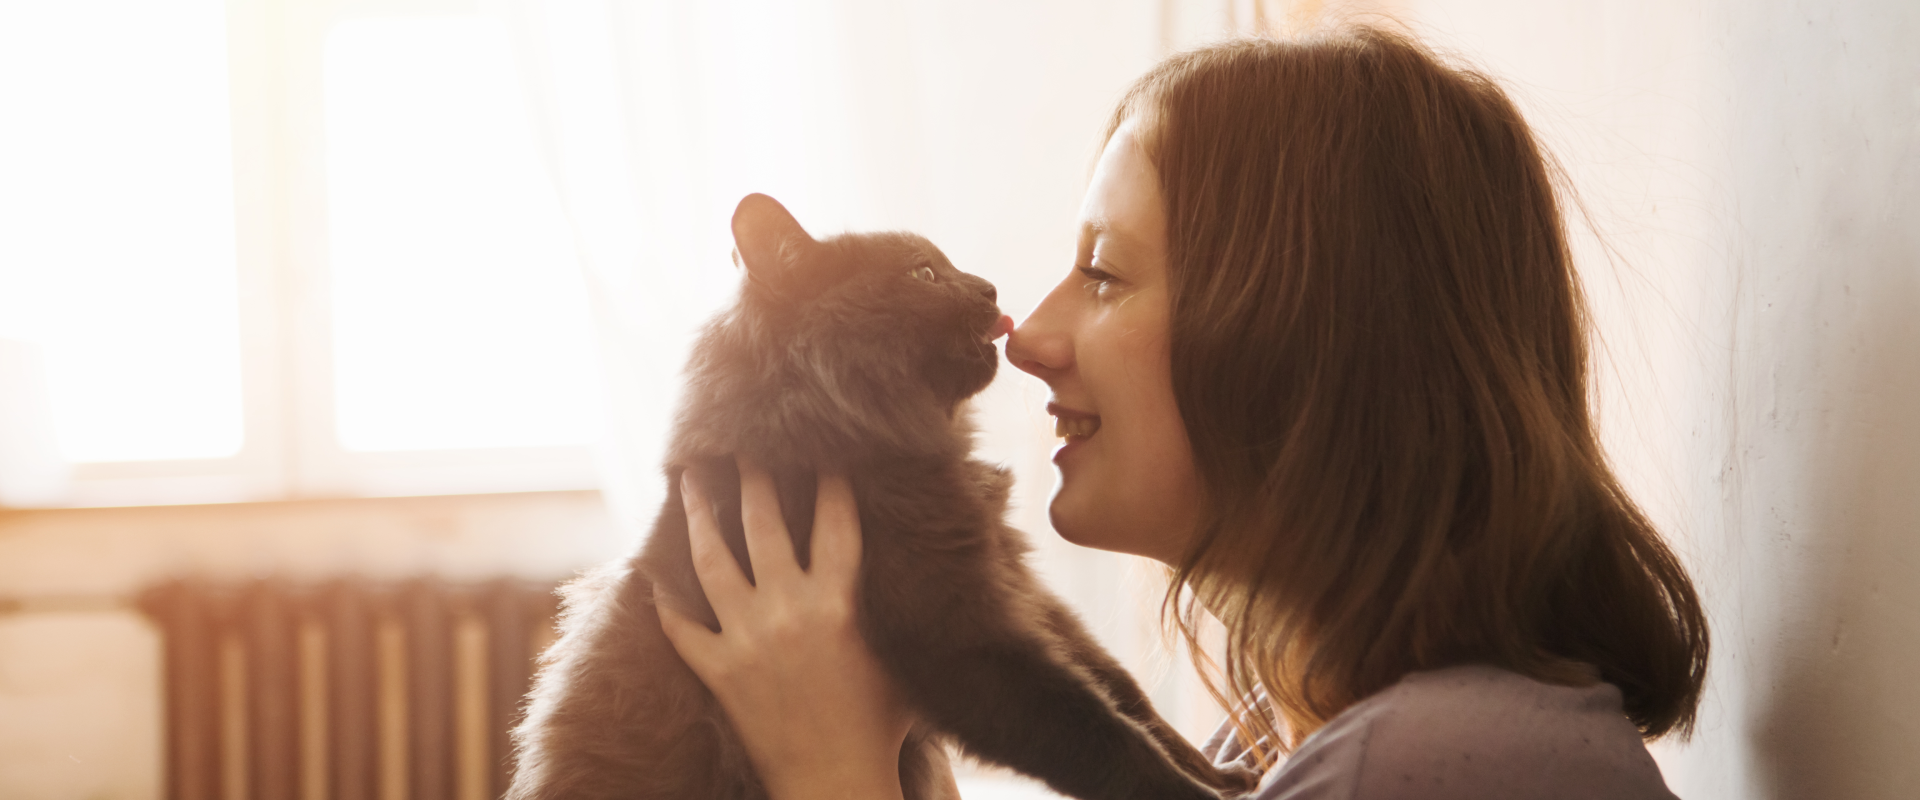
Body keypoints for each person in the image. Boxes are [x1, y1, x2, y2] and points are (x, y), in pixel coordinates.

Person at [653, 27, 1709, 800]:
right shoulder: (1300, 737)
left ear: (1302, 334)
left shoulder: (1415, 767)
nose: (1024, 336)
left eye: (1103, 274)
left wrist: (828, 770)